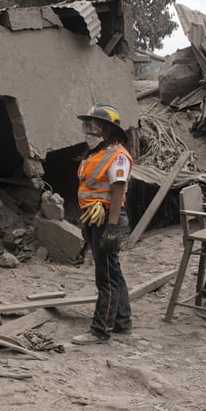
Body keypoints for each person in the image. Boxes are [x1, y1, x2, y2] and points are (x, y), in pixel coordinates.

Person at [71, 102, 133, 345]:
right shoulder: (96, 154)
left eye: (92, 127)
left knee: (105, 278)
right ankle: (122, 321)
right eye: (86, 126)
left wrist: (111, 227)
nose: (88, 131)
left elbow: (117, 193)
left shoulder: (117, 156)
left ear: (107, 130)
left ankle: (100, 329)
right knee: (113, 272)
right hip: (95, 218)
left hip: (108, 219)